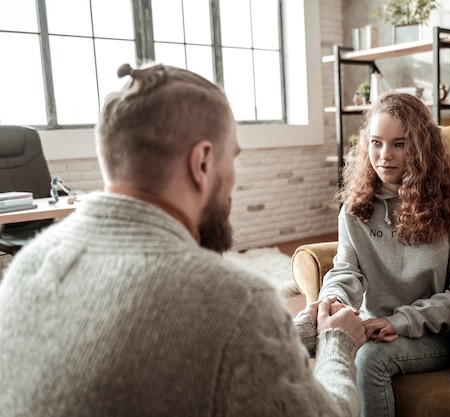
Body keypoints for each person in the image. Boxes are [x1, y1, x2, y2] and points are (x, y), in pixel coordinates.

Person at [0, 63, 366, 417]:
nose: (233, 178)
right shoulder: (235, 300)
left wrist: (294, 331)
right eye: (232, 158)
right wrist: (338, 341)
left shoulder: (28, 264)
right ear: (202, 162)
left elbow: (167, 355)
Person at [318, 91, 450, 417]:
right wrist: (333, 300)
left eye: (400, 144)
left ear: (422, 147)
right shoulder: (354, 209)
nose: (385, 156)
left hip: (434, 335)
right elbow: (346, 270)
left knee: (370, 359)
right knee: (298, 331)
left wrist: (399, 321)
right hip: (371, 325)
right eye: (376, 142)